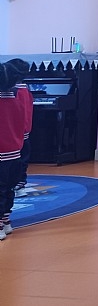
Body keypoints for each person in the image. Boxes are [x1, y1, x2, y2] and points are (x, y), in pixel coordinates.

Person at [0, 59, 33, 239]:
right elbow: (23, 125)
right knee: (8, 188)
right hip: (14, 151)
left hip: (2, 153)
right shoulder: (17, 98)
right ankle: (5, 221)